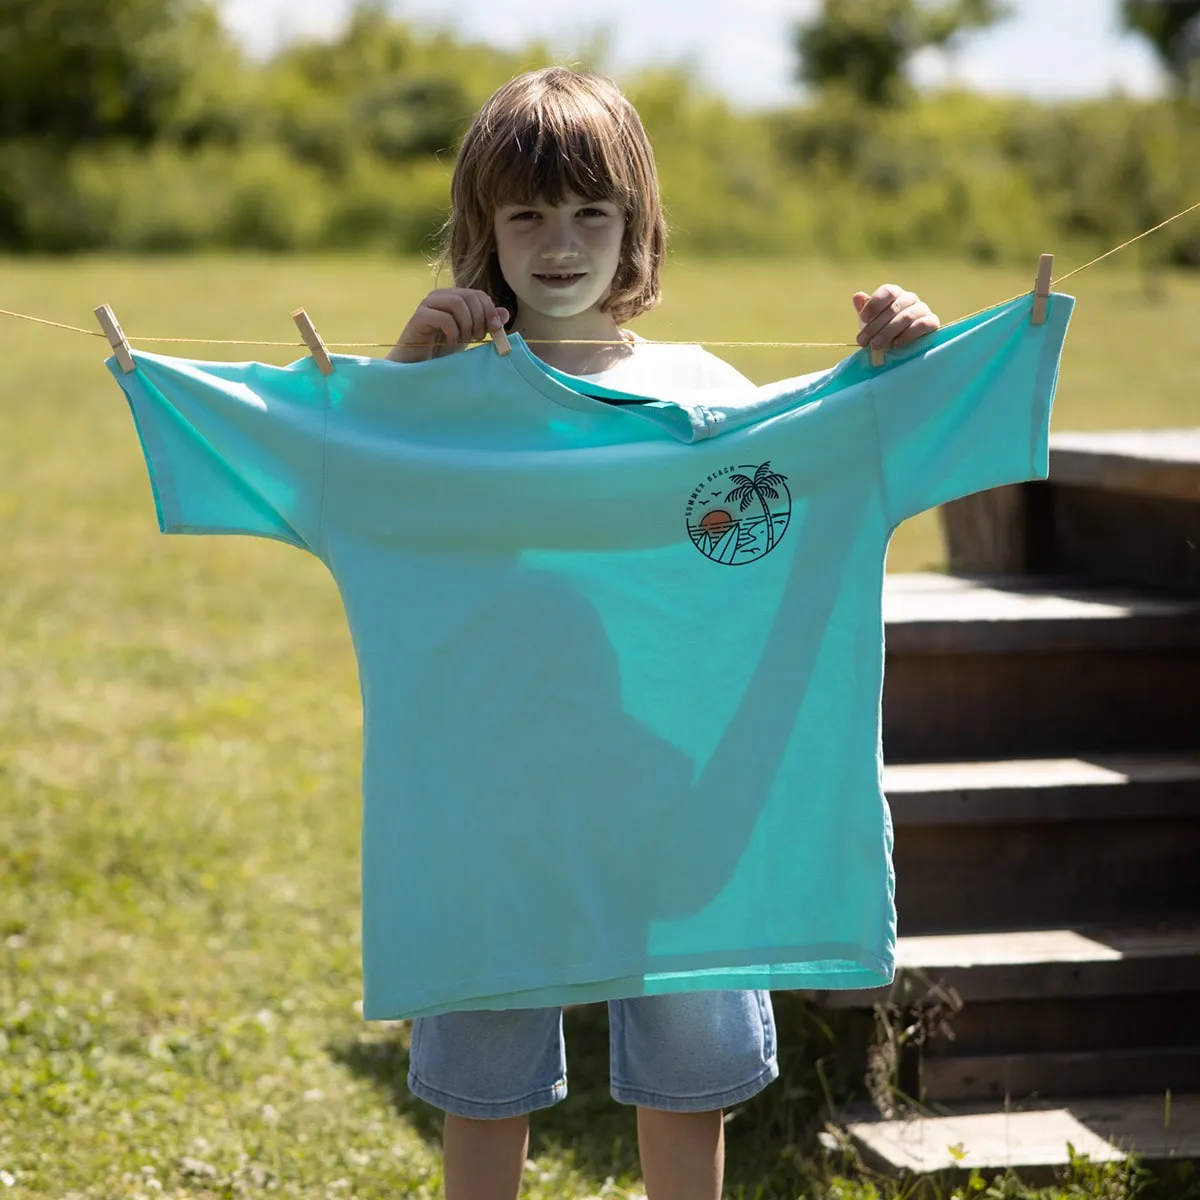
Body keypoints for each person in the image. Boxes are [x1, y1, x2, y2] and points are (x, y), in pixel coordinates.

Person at [386, 67, 940, 1200]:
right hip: (494, 791)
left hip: (673, 793)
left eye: (591, 212)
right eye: (527, 213)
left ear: (635, 221)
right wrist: (404, 386)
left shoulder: (699, 387)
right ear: (482, 227)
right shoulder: (448, 391)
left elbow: (819, 478)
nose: (560, 243)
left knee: (690, 1072)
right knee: (481, 1077)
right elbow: (383, 521)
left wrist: (894, 366)